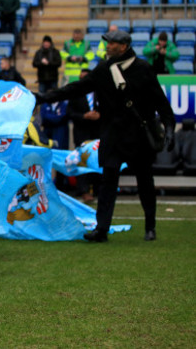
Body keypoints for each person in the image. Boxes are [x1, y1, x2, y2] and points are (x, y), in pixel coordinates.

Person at [37, 30, 175, 242]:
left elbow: (160, 101)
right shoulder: (103, 69)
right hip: (112, 135)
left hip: (138, 136)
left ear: (124, 46)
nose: (108, 46)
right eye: (108, 43)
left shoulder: (143, 69)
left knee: (145, 182)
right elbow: (76, 88)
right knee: (108, 182)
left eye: (112, 43)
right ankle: (102, 229)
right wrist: (45, 97)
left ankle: (150, 226)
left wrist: (170, 127)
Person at [67, 69, 101, 202]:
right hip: (81, 133)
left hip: (97, 132)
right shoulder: (76, 94)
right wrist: (84, 116)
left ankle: (98, 189)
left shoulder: (101, 93)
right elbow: (69, 113)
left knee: (97, 161)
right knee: (82, 161)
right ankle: (84, 190)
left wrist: (99, 115)